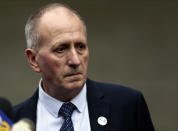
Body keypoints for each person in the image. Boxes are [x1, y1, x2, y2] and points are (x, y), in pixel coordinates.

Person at [13, 3, 155, 131]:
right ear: (33, 59)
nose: (75, 60)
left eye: (80, 47)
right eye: (61, 49)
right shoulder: (12, 122)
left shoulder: (127, 106)